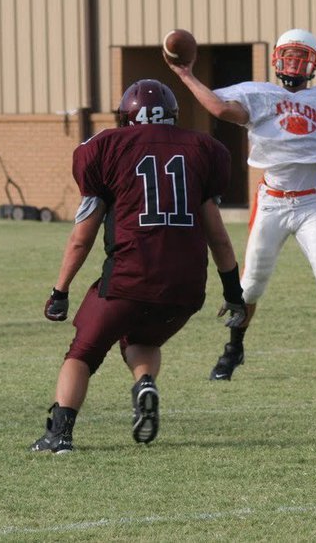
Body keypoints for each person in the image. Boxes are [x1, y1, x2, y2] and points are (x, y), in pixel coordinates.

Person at [31, 79, 246, 453]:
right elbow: (220, 238)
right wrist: (233, 293)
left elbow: (82, 237)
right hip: (185, 286)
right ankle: (145, 382)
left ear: (125, 116)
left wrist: (59, 290)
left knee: (82, 353)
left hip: (129, 277)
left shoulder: (105, 148)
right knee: (143, 337)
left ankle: (59, 435)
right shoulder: (203, 149)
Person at [166, 28, 316, 384]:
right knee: (251, 284)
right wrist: (186, 75)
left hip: (311, 203)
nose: (293, 63)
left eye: (300, 57)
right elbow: (219, 108)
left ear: (314, 63)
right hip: (272, 204)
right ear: (276, 59)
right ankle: (233, 350)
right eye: (288, 56)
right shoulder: (260, 97)